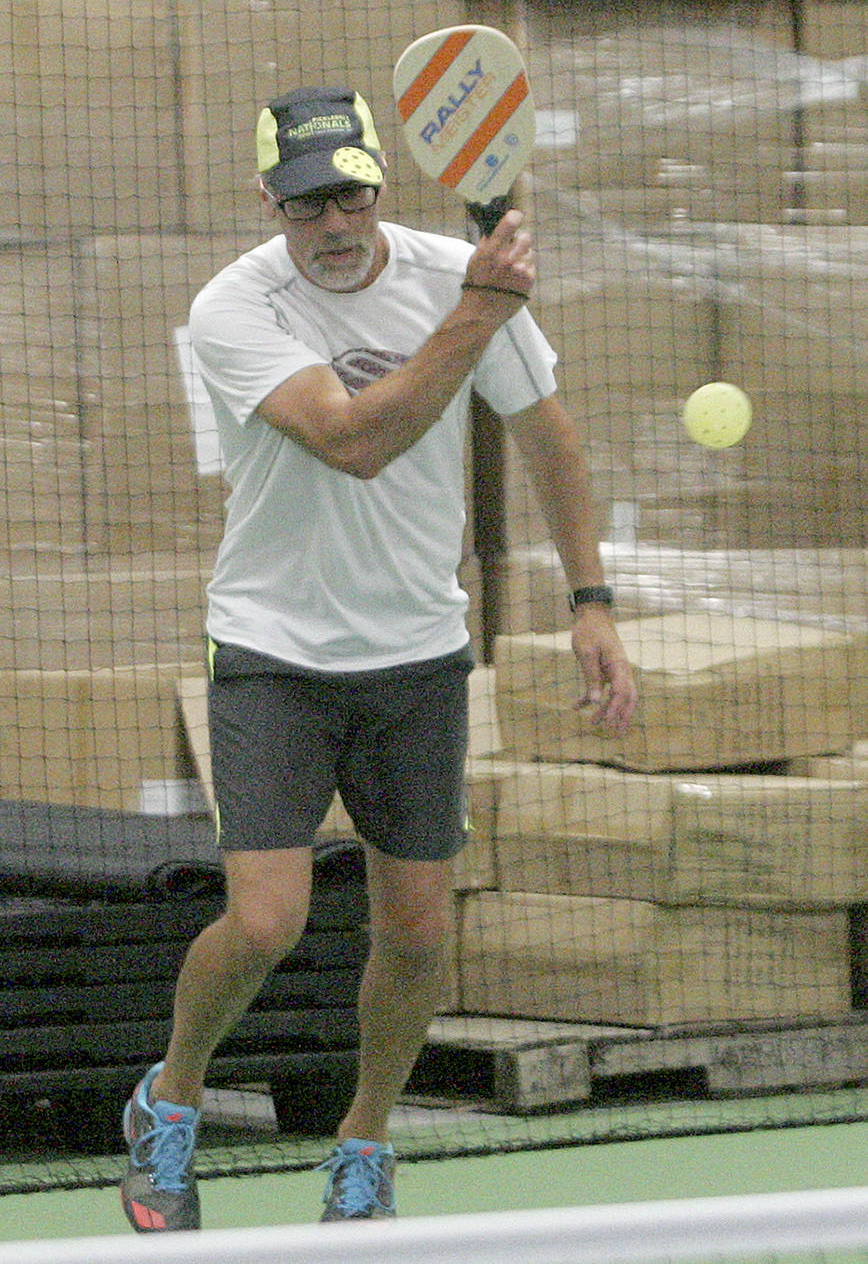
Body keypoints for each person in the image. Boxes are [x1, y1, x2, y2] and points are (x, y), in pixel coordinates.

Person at [120, 85, 638, 1234]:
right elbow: (357, 440)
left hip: (416, 656)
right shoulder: (234, 307)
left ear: (378, 182)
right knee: (265, 924)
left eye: (350, 191)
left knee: (416, 932)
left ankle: (364, 1142)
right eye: (307, 204)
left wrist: (591, 600)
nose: (335, 221)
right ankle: (172, 1098)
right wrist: (479, 310)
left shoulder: (448, 271)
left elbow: (545, 432)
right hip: (274, 651)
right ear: (269, 202)